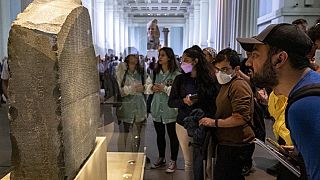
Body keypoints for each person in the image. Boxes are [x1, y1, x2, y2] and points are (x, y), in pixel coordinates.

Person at [237, 23, 320, 180]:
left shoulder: (303, 107)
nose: (248, 63)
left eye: (255, 55)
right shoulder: (312, 83)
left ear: (280, 59)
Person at [199, 48, 255, 180]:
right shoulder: (227, 84)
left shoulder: (238, 86)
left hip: (236, 143)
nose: (220, 73)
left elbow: (240, 118)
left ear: (236, 69)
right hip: (227, 141)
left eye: (225, 69)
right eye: (218, 69)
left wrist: (214, 123)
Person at [168, 45, 219, 180]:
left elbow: (214, 101)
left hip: (204, 122)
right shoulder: (180, 79)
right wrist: (184, 101)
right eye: (182, 60)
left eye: (186, 60)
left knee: (207, 161)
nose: (183, 63)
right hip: (184, 122)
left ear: (195, 61)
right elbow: (171, 102)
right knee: (189, 162)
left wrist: (199, 99)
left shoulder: (208, 79)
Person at [145, 47, 180, 173]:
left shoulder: (176, 74)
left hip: (170, 110)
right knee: (159, 135)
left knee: (172, 136)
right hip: (157, 109)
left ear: (169, 57)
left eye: (163, 55)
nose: (160, 57)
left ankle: (173, 160)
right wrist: (151, 87)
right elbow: (147, 86)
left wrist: (164, 88)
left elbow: (178, 92)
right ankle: (161, 158)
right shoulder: (155, 72)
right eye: (160, 55)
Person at [115, 54, 147, 152]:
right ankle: (123, 155)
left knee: (138, 135)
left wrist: (142, 88)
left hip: (140, 108)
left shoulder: (141, 72)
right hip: (126, 108)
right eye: (132, 57)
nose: (135, 58)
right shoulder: (122, 72)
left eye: (136, 57)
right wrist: (134, 88)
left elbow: (148, 87)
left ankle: (136, 155)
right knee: (124, 134)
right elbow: (121, 91)